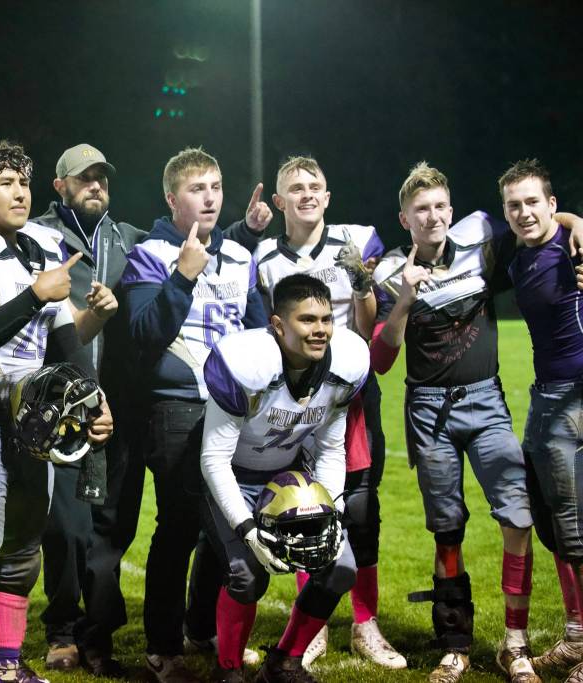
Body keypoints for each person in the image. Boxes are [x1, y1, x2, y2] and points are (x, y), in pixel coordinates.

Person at [0, 140, 111, 683]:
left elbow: (66, 340)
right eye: (4, 183)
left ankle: (4, 665)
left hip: (36, 420)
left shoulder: (42, 246)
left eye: (24, 183)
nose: (19, 193)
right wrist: (35, 294)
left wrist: (95, 399)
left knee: (24, 550)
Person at [371, 162, 536, 683]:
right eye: (421, 209)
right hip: (429, 411)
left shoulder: (480, 238)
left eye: (440, 205)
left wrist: (573, 221)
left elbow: (536, 227)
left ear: (451, 208)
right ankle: (455, 644)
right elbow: (382, 359)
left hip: (486, 402)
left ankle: (516, 642)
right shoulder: (390, 270)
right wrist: (404, 299)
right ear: (405, 218)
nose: (434, 216)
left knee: (517, 516)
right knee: (447, 529)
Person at [120, 146, 266, 683]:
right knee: (179, 525)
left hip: (232, 410)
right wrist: (181, 277)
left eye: (215, 187)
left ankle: (201, 627)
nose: (209, 198)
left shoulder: (241, 257)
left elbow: (258, 335)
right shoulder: (150, 253)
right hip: (177, 407)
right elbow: (143, 334)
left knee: (224, 524)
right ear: (171, 197)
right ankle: (163, 646)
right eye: (196, 188)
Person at [252, 156, 402, 668]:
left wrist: (362, 285)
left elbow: (369, 322)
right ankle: (309, 623)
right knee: (302, 505)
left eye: (315, 186)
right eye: (296, 188)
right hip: (295, 400)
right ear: (280, 201)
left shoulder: (357, 239)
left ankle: (365, 622)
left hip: (352, 394)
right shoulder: (263, 258)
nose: (308, 194)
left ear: (328, 196)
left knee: (362, 509)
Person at [202, 273, 369, 683]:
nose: (320, 330)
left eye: (326, 319)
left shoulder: (346, 363)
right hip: (233, 476)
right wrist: (247, 528)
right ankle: (229, 669)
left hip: (289, 476)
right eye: (307, 320)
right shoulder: (246, 364)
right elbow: (214, 458)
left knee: (341, 566)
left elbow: (330, 448)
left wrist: (333, 511)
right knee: (246, 574)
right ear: (278, 325)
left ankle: (285, 661)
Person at [30, 143, 144, 676]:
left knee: (110, 528)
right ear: (61, 186)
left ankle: (97, 636)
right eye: (84, 178)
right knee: (66, 528)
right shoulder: (38, 237)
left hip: (120, 406)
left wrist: (249, 230)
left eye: (102, 177)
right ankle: (61, 629)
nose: (96, 185)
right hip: (59, 408)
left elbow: (188, 241)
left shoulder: (129, 240)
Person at [499, 159, 583, 681]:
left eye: (534, 201)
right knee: (554, 526)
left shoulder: (575, 249)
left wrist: (578, 225)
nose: (524, 212)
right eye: (514, 205)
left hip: (575, 400)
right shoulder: (520, 258)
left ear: (552, 204)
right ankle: (576, 636)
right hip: (545, 401)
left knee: (575, 528)